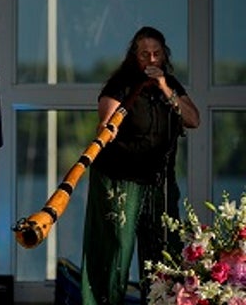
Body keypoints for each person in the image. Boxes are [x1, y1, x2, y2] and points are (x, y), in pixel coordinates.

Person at [80, 26, 200, 305]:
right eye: (145, 54)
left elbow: (193, 120)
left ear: (164, 56)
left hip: (159, 180)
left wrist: (165, 88)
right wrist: (106, 127)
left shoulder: (170, 85)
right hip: (119, 178)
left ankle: (162, 301)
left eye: (156, 54)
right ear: (135, 56)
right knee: (116, 249)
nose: (151, 59)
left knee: (162, 250)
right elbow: (106, 125)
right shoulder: (120, 84)